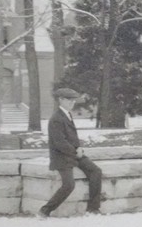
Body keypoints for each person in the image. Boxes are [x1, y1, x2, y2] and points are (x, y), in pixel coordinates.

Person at [38, 87, 102, 217]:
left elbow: (72, 136)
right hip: (61, 157)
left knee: (96, 171)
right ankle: (44, 211)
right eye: (69, 100)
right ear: (60, 100)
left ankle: (93, 209)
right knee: (69, 185)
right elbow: (59, 142)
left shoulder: (67, 115)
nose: (72, 103)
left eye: (74, 100)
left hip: (73, 154)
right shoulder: (56, 118)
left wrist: (79, 148)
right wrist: (75, 152)